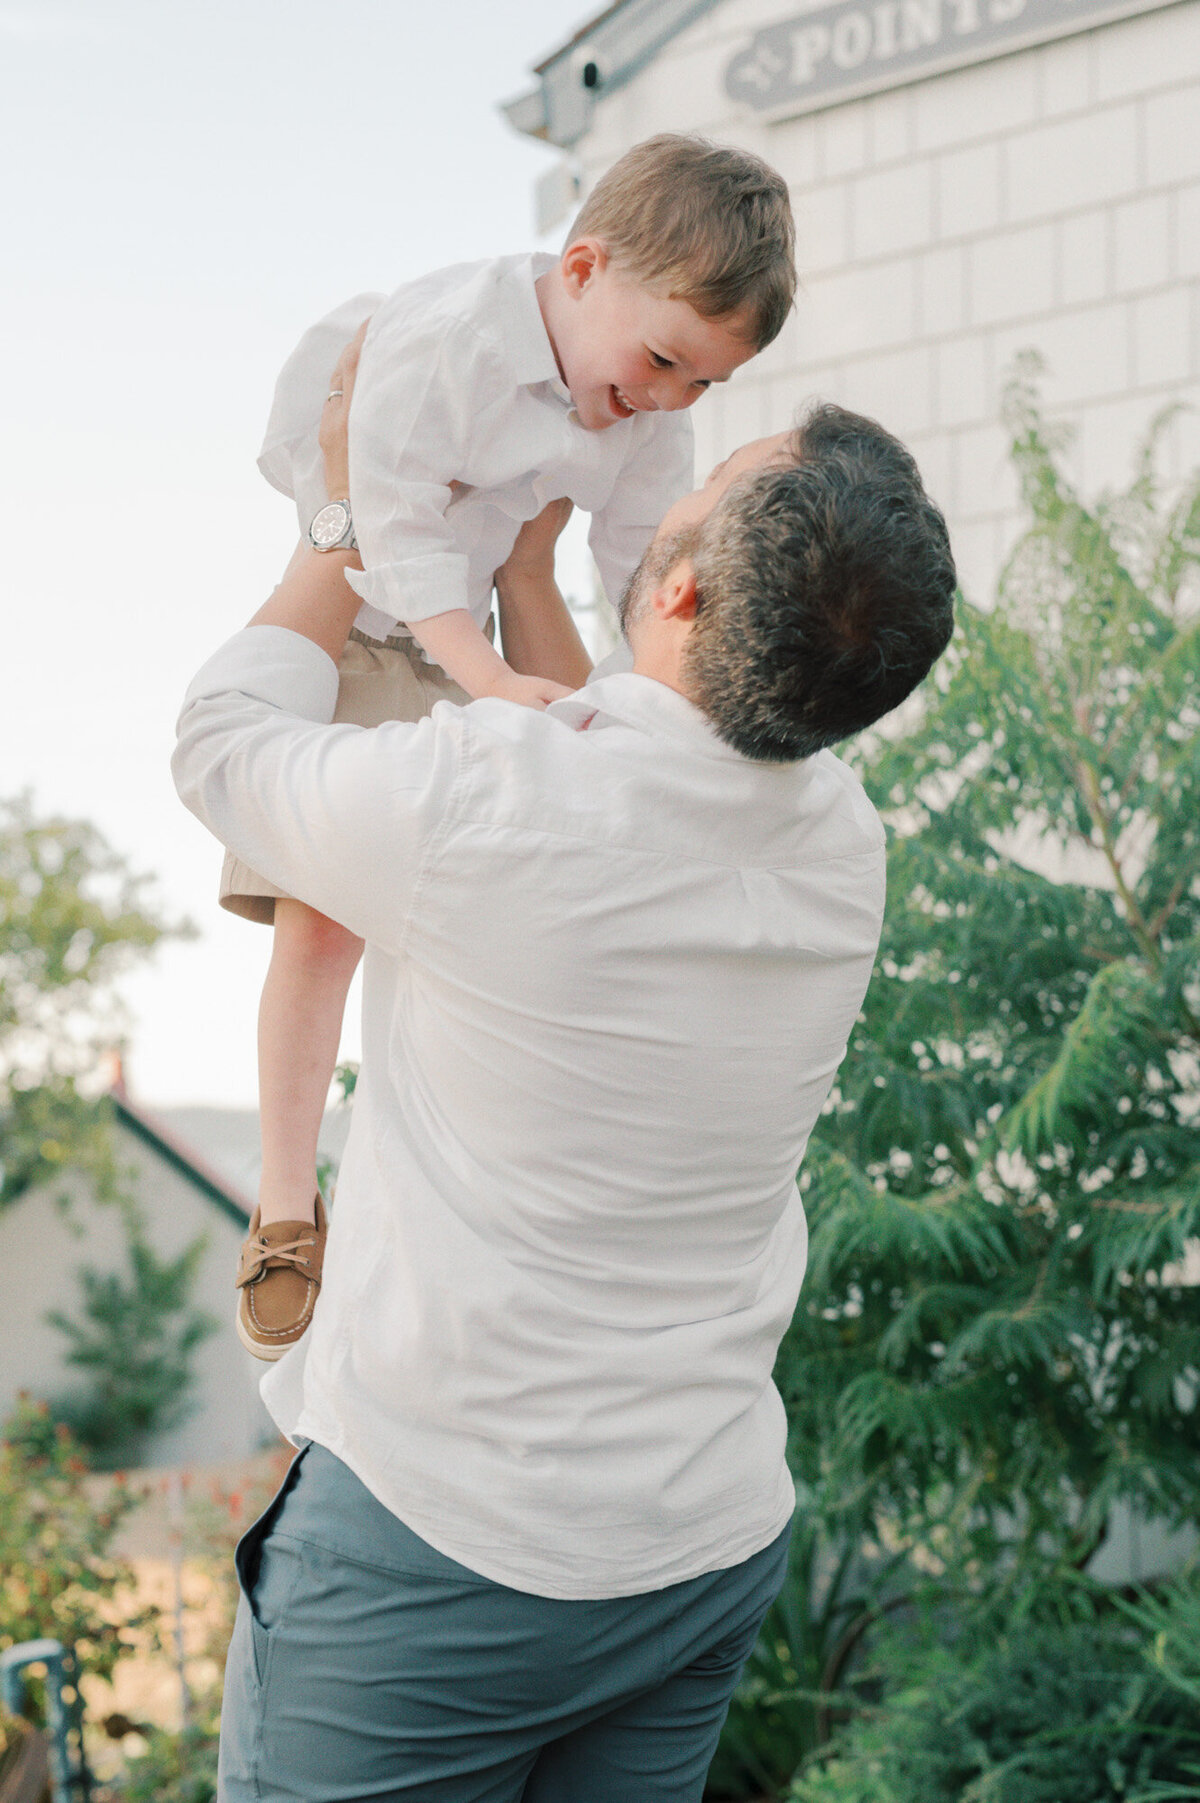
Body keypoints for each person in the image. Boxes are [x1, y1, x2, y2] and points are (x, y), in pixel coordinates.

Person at [173, 330, 955, 1802]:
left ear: (677, 588)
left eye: (709, 475)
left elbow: (223, 745)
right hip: (697, 1547)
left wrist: (352, 518)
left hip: (442, 1547)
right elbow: (623, 736)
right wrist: (527, 579)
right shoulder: (844, 845)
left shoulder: (493, 802)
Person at [219, 135, 798, 1362]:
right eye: (660, 364)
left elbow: (646, 565)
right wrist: (482, 674)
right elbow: (387, 513)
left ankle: (429, 1178)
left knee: (492, 906)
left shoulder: (638, 403)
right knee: (323, 919)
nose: (669, 401)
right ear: (580, 270)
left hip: (479, 612)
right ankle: (283, 1196)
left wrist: (664, 730)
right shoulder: (446, 338)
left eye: (704, 385)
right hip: (374, 600)